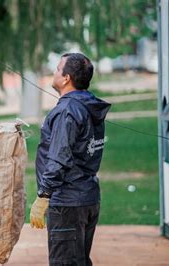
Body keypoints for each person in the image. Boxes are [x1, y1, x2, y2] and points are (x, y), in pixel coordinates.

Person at [30, 53, 111, 266]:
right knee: (79, 261)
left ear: (66, 78)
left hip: (68, 202)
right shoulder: (88, 106)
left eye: (58, 69)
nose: (54, 72)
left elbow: (59, 158)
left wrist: (44, 195)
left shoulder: (67, 110)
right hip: (87, 198)